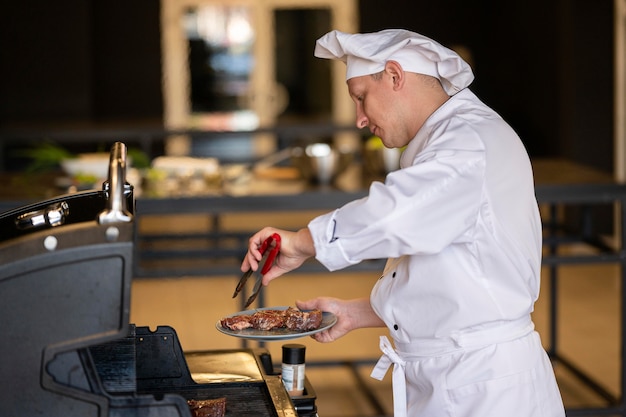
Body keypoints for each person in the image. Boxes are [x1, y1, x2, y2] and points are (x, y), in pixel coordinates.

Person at [241, 29, 566, 417]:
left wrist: (300, 243)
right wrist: (355, 313)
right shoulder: (443, 140)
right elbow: (455, 279)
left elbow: (396, 214)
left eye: (361, 98)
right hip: (458, 376)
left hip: (485, 390)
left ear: (394, 77)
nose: (359, 119)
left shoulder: (468, 139)